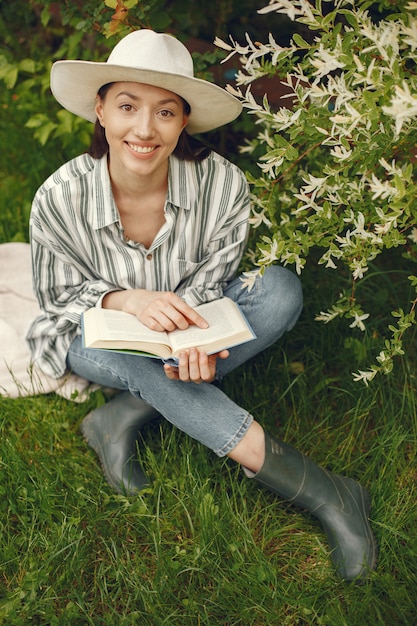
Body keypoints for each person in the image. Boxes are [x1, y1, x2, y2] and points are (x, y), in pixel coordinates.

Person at [26, 29, 376, 582]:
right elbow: (57, 297)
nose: (144, 129)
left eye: (165, 112)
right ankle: (326, 492)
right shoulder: (59, 196)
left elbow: (212, 287)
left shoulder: (223, 186)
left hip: (185, 324)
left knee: (280, 289)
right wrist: (126, 300)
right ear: (99, 109)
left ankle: (124, 415)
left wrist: (198, 343)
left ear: (183, 120)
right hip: (94, 342)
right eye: (126, 106)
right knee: (123, 354)